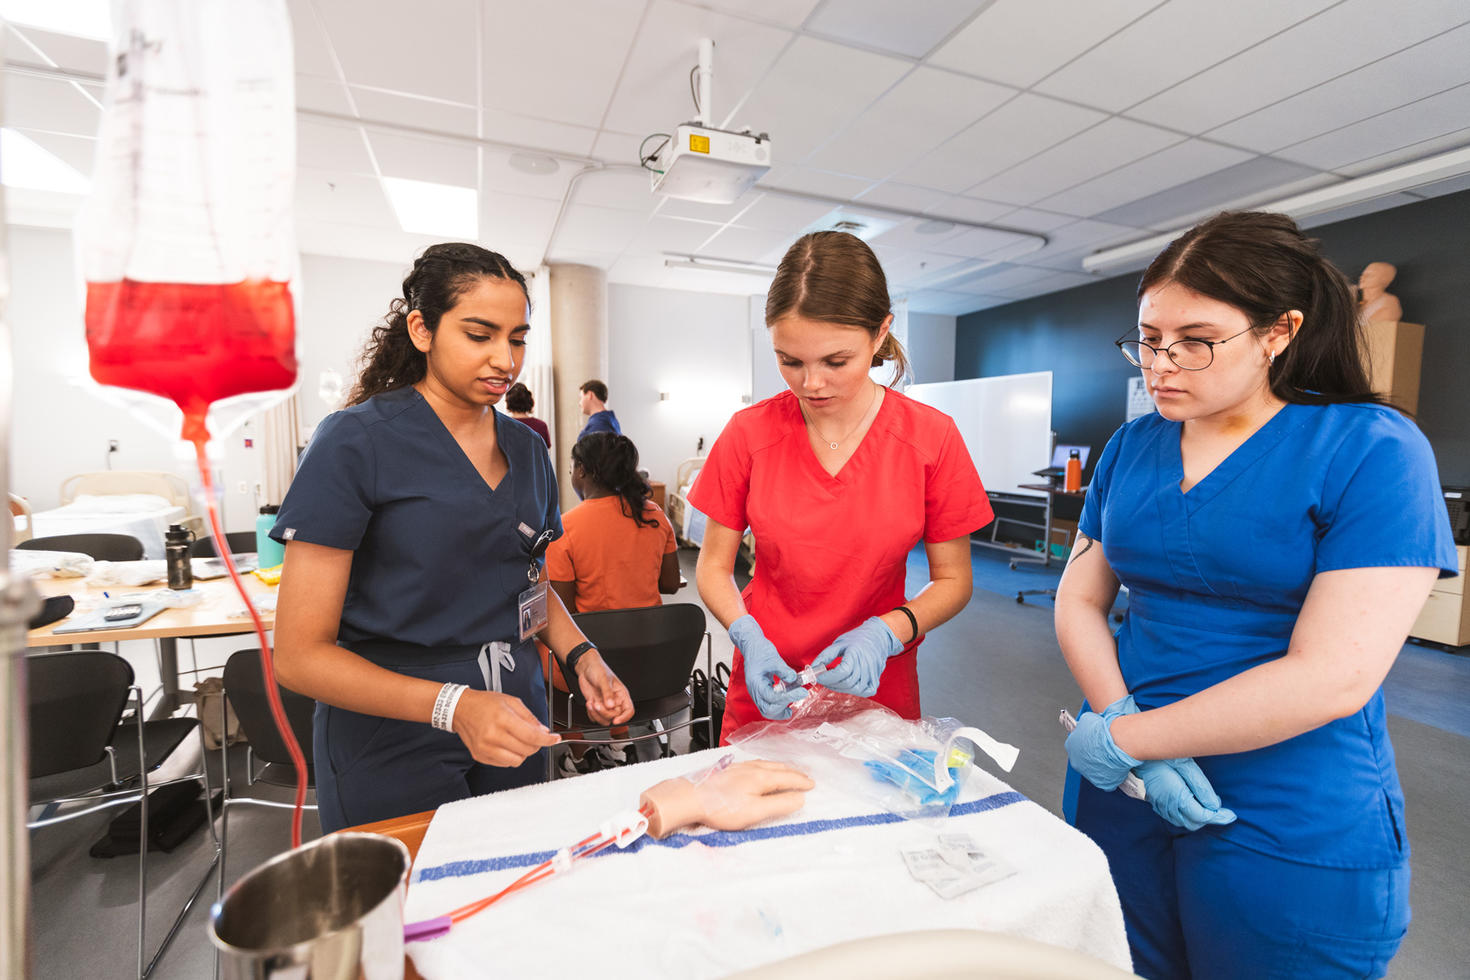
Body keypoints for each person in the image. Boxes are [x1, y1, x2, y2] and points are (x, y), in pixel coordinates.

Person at [1056, 211, 1456, 980]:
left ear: (1279, 332)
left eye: (1196, 341)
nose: (1160, 364)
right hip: (1124, 779)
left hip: (1282, 799)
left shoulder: (1371, 447)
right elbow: (1080, 598)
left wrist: (1132, 741)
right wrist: (1118, 721)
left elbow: (1333, 674)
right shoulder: (1133, 445)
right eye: (1147, 338)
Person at [270, 242, 634, 833]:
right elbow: (299, 656)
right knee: (414, 914)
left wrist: (581, 655)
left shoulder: (530, 451)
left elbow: (528, 585)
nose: (504, 359)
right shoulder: (356, 442)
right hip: (392, 734)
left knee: (509, 893)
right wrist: (452, 705)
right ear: (422, 330)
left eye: (516, 338)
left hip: (514, 721)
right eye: (479, 334)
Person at [689, 231, 993, 740]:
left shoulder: (931, 438)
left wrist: (887, 631)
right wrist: (746, 636)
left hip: (877, 686)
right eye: (789, 361)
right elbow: (713, 568)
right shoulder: (749, 434)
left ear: (880, 335)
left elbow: (954, 580)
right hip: (770, 681)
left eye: (836, 361)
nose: (811, 384)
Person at [548, 432, 681, 615]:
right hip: (651, 637)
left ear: (581, 470)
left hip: (593, 640)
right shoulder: (655, 515)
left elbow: (565, 609)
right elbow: (671, 583)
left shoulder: (564, 527)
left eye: (571, 470)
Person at [505, 382, 551, 448]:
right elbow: (545, 451)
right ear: (529, 401)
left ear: (508, 402)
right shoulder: (541, 425)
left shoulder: (503, 425)